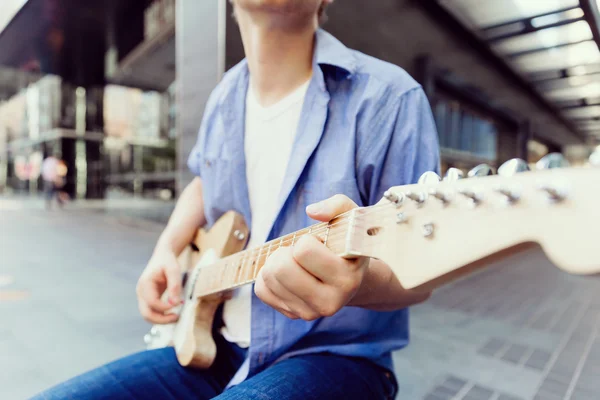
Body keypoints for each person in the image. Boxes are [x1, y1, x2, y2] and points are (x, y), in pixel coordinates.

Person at [34, 1, 440, 399]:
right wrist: (165, 252)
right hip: (214, 346)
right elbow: (204, 181)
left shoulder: (391, 97)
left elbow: (421, 272)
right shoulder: (224, 96)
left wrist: (356, 284)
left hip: (336, 359)